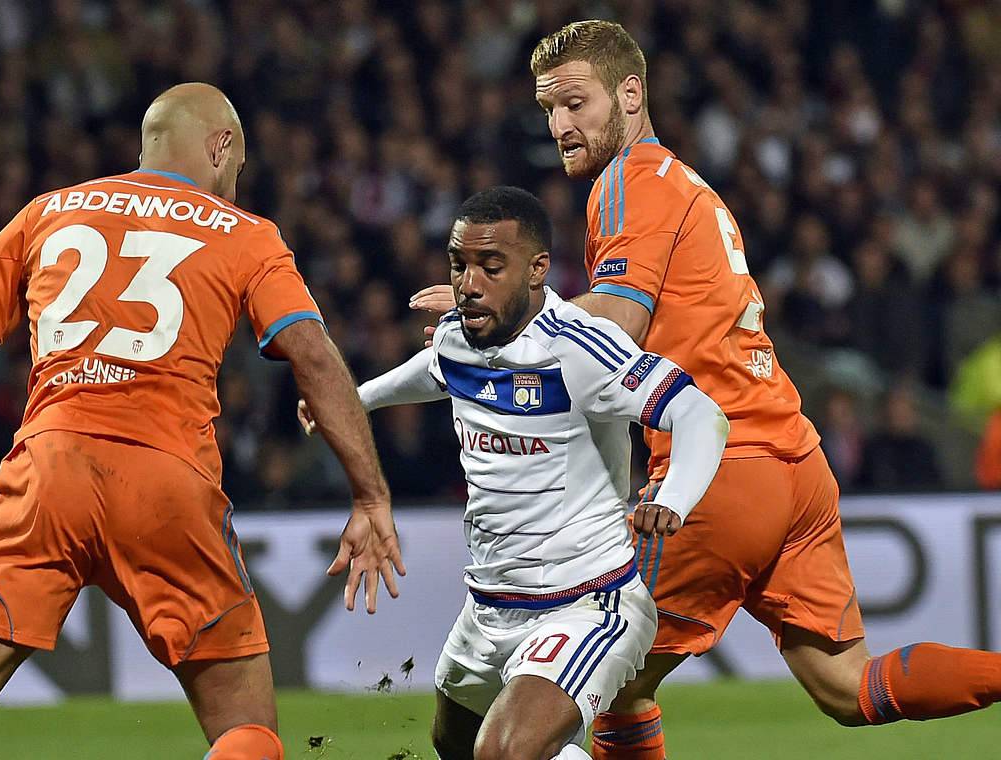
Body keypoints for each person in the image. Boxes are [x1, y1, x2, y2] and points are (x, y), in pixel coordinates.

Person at [410, 20, 1001, 760]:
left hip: (721, 474)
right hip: (795, 463)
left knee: (580, 691)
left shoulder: (627, 181)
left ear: (630, 94)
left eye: (574, 104)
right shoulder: (689, 185)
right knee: (847, 685)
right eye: (547, 111)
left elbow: (621, 322)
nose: (559, 126)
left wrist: (499, 320)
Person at [0, 83, 405, 760]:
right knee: (248, 732)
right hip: (168, 485)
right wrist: (369, 492)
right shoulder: (247, 234)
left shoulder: (47, 212)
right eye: (238, 169)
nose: (235, 185)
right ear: (221, 145)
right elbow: (312, 353)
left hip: (46, 474)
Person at [303, 186, 728, 760]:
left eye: (490, 266)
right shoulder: (458, 338)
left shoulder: (577, 347)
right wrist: (352, 402)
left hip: (586, 603)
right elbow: (432, 370)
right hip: (489, 608)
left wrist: (674, 497)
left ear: (536, 271)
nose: (469, 282)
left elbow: (699, 413)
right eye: (459, 265)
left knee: (504, 753)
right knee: (453, 745)